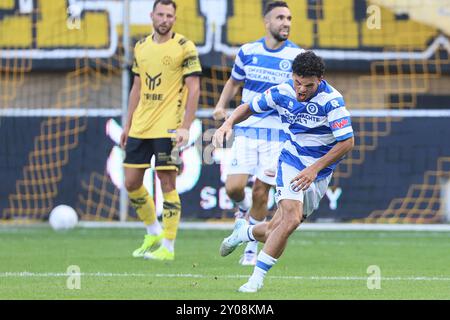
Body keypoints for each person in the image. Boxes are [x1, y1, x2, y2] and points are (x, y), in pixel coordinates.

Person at [213, 51, 355, 292]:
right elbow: (249, 107)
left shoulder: (332, 101)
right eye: (298, 82)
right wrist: (228, 123)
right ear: (292, 76)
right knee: (290, 220)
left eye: (308, 86)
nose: (301, 90)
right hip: (291, 160)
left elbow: (347, 142)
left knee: (273, 230)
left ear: (320, 80)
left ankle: (243, 232)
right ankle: (255, 280)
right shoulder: (282, 91)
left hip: (318, 172)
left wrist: (314, 169)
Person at [212, 1, 303, 266]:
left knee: (261, 192)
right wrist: (221, 106)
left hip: (278, 136)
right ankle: (243, 211)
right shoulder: (248, 51)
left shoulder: (296, 56)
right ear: (266, 22)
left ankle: (250, 247)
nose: (286, 22)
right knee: (234, 188)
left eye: (289, 18)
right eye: (280, 18)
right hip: (248, 132)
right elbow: (234, 81)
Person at [120, 0, 201, 261]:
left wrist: (186, 127)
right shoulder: (140, 47)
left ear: (174, 19)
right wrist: (128, 123)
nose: (165, 19)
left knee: (166, 183)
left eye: (170, 15)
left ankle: (168, 246)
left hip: (168, 127)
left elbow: (195, 88)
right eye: (161, 14)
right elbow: (136, 87)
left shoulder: (184, 47)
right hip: (141, 125)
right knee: (131, 183)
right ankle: (152, 230)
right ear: (151, 16)